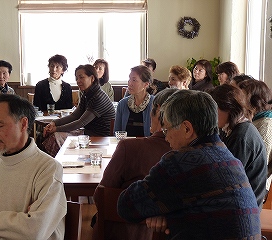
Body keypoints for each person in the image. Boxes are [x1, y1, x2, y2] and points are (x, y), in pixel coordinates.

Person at [117, 90, 261, 239]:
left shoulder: (182, 162)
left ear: (187, 128)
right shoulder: (228, 157)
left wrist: (163, 212)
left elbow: (127, 206)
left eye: (167, 129)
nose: (166, 138)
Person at [0, 94, 67, 239]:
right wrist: (18, 226)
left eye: (0, 125)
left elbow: (35, 232)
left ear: (23, 124)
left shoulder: (48, 168)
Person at [92, 89, 175, 240]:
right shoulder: (194, 155)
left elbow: (100, 197)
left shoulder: (129, 148)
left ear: (158, 113)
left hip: (126, 233)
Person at [209, 84, 267, 209]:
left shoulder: (241, 136)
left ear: (228, 108)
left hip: (245, 208)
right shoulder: (233, 128)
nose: (212, 115)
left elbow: (227, 179)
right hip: (238, 200)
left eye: (214, 109)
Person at [42, 64, 115, 157]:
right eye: (76, 78)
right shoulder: (87, 94)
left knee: (55, 136)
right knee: (53, 136)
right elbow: (74, 116)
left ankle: (61, 166)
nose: (78, 81)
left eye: (81, 77)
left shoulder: (98, 96)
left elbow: (81, 122)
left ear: (92, 78)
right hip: (88, 132)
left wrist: (57, 128)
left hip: (100, 138)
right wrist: (54, 123)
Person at [238, 79, 272, 202]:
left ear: (255, 100)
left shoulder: (265, 124)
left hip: (256, 187)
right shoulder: (254, 119)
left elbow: (261, 163)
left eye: (242, 97)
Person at [114, 65, 154, 137]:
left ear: (146, 84)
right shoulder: (122, 104)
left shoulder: (155, 104)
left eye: (134, 80)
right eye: (129, 79)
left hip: (147, 146)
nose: (129, 83)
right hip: (126, 146)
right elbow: (117, 132)